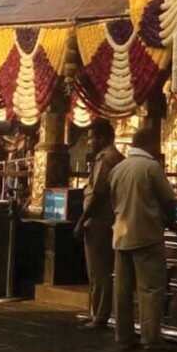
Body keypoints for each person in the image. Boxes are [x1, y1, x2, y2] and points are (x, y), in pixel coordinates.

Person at [107, 125, 177, 352]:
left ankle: (123, 337)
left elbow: (113, 201)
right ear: (151, 144)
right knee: (150, 288)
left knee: (123, 287)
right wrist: (170, 220)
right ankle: (151, 339)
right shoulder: (150, 167)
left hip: (120, 231)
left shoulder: (118, 168)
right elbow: (168, 199)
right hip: (146, 232)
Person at [74, 120, 123, 330]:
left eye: (92, 137)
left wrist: (81, 220)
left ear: (103, 138)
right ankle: (96, 311)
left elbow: (98, 194)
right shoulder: (111, 157)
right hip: (105, 220)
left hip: (100, 221)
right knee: (98, 270)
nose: (89, 142)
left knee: (100, 270)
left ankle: (100, 315)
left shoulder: (106, 158)